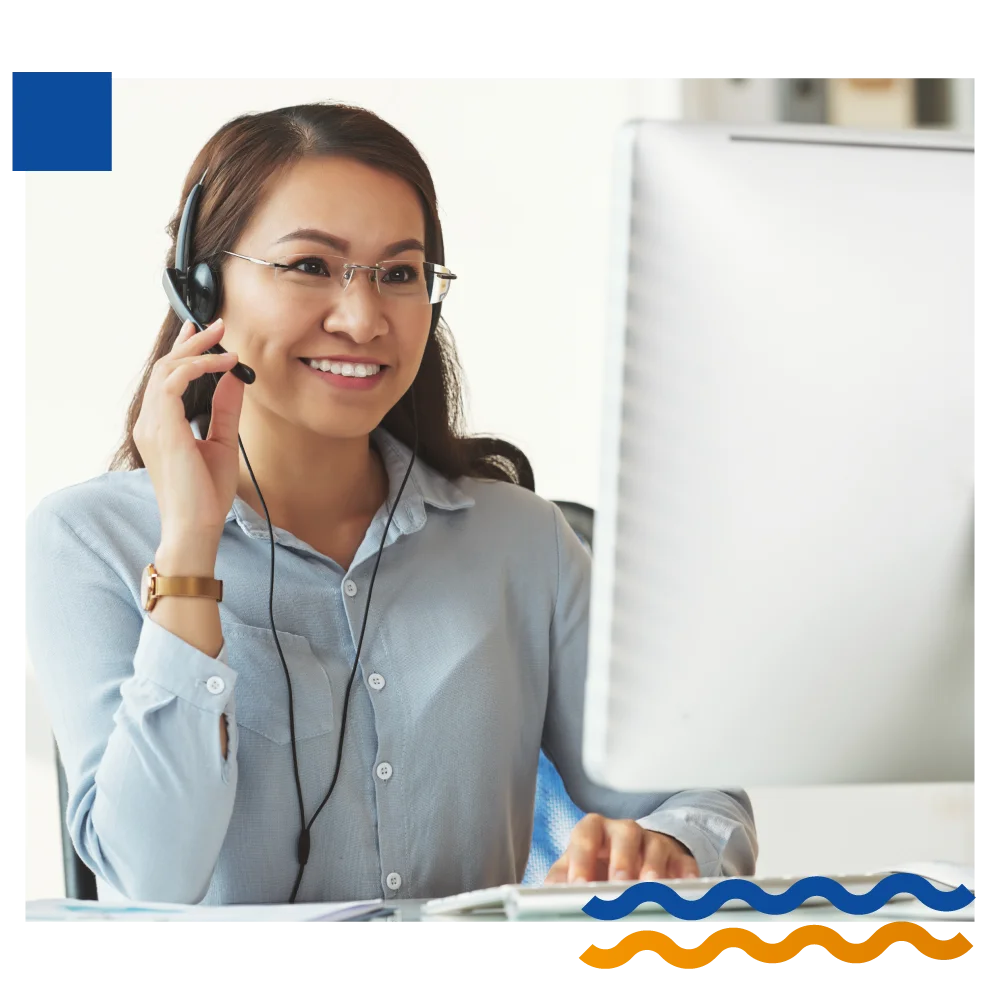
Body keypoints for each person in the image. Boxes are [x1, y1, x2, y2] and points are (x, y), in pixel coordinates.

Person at [23, 103, 757, 905]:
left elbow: (705, 803)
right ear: (204, 287)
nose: (364, 318)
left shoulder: (524, 543)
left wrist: (661, 846)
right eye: (310, 265)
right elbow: (150, 880)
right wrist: (191, 553)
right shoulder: (88, 542)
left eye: (400, 274)